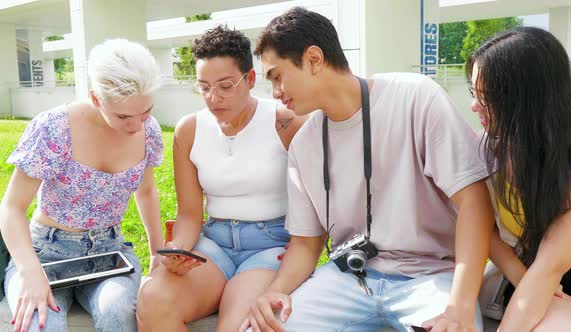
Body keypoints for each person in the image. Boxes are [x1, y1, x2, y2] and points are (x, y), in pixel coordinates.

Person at [241, 7, 496, 332]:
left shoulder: (415, 96)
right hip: (348, 276)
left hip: (431, 277)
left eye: (277, 76)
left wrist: (458, 307)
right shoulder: (304, 144)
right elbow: (306, 244)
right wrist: (275, 291)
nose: (275, 92)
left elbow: (475, 202)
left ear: (314, 59)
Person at [136, 25, 306, 331]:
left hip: (268, 247)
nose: (213, 98)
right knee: (153, 298)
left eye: (225, 86)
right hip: (212, 246)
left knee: (238, 327)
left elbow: (314, 209)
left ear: (250, 79)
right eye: (203, 87)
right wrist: (180, 251)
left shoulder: (284, 122)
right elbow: (189, 214)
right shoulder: (189, 130)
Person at [0, 39, 164, 332]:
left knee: (119, 313)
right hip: (44, 254)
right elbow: (12, 207)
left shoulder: (148, 131)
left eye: (146, 111)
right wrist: (29, 272)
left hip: (109, 254)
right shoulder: (55, 127)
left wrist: (156, 253)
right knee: (41, 324)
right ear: (96, 99)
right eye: (123, 116)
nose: (137, 125)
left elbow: (147, 191)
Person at [468, 26, 571, 331]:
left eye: (486, 97)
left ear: (530, 100)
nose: (474, 106)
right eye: (474, 94)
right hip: (524, 272)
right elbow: (483, 229)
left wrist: (529, 281)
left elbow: (551, 267)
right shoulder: (488, 146)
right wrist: (518, 274)